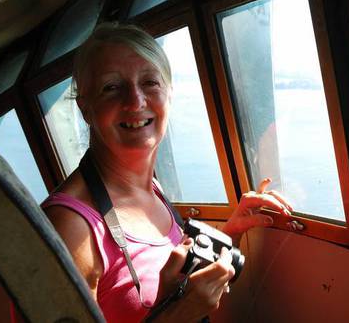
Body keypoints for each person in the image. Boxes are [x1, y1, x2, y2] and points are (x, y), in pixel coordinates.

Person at [42, 23, 292, 322]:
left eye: (150, 82)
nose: (135, 101)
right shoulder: (70, 228)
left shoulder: (150, 191)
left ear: (169, 94)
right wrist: (178, 314)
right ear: (85, 107)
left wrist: (229, 235)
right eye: (111, 87)